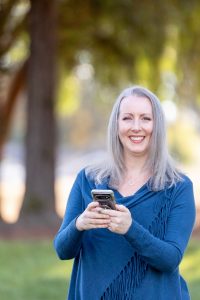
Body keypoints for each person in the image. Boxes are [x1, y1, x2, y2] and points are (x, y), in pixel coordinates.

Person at [54, 86, 196, 300]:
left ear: (157, 126)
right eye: (127, 118)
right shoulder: (88, 179)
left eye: (146, 119)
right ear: (116, 125)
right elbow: (62, 251)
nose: (136, 127)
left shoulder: (178, 187)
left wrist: (130, 228)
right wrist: (79, 224)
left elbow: (170, 259)